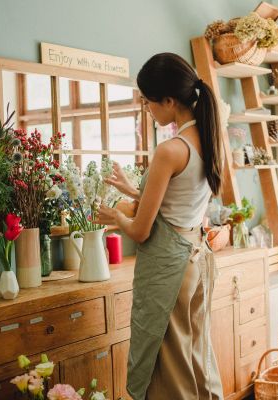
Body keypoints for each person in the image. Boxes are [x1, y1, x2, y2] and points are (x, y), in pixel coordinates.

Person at [94, 52, 224, 400]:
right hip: (196, 258)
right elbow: (179, 200)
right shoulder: (208, 139)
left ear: (168, 101)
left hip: (170, 267)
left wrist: (115, 217)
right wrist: (134, 190)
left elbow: (140, 231)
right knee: (196, 354)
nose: (148, 110)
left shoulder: (170, 150)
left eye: (149, 102)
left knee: (170, 365)